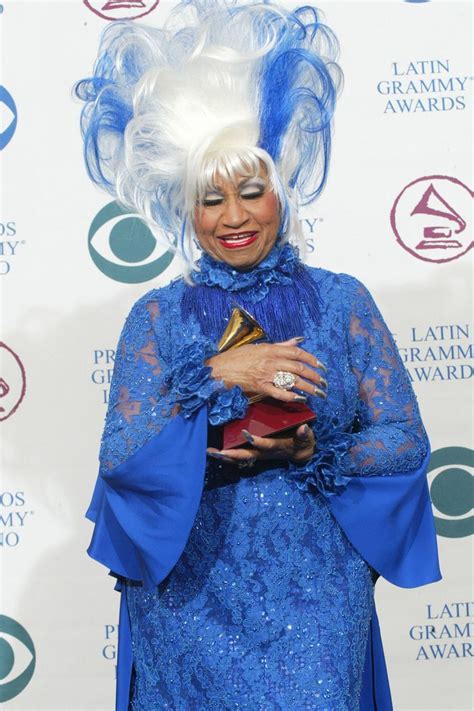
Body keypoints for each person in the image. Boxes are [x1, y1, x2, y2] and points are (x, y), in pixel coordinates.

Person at [77, 1, 441, 709]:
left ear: (283, 189)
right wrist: (218, 374)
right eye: (211, 200)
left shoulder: (342, 302)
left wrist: (313, 451)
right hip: (189, 604)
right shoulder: (155, 316)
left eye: (251, 191)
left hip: (317, 599)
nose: (234, 216)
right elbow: (121, 453)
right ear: (186, 208)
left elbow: (405, 441)